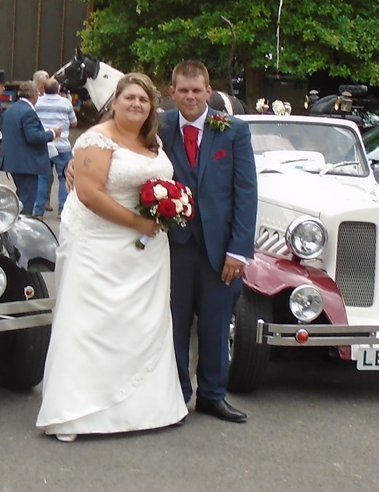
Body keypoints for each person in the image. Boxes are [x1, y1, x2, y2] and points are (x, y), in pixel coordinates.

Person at [36, 73, 187, 442]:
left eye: (144, 100)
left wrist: (163, 214)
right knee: (89, 325)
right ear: (115, 101)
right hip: (98, 244)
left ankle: (146, 408)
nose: (136, 104)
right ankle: (76, 413)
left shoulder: (153, 141)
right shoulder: (95, 139)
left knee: (142, 326)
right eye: (130, 97)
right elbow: (89, 194)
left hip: (146, 251)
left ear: (152, 107)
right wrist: (138, 221)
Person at [161, 60, 257, 423]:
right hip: (174, 246)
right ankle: (176, 394)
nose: (189, 97)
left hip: (221, 250)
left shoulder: (233, 130)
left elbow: (246, 192)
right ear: (172, 92)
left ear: (208, 91)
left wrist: (238, 250)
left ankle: (213, 395)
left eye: (196, 90)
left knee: (217, 324)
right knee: (174, 322)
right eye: (182, 91)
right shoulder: (160, 126)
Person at [0, 81, 59, 215]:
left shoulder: (10, 110)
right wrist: (52, 133)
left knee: (20, 197)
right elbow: (33, 137)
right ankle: (22, 226)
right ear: (33, 95)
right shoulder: (28, 112)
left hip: (13, 161)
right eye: (37, 93)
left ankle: (14, 221)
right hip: (26, 164)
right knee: (27, 200)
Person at [33, 77, 78, 216]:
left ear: (43, 89)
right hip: (62, 146)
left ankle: (39, 210)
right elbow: (74, 122)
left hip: (43, 145)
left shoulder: (37, 102)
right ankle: (62, 210)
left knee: (42, 177)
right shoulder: (66, 103)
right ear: (58, 89)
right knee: (65, 177)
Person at [32, 70, 56, 212]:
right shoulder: (34, 96)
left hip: (49, 140)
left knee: (48, 175)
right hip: (38, 138)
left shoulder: (47, 96)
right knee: (37, 174)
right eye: (43, 83)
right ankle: (36, 201)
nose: (44, 86)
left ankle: (45, 200)